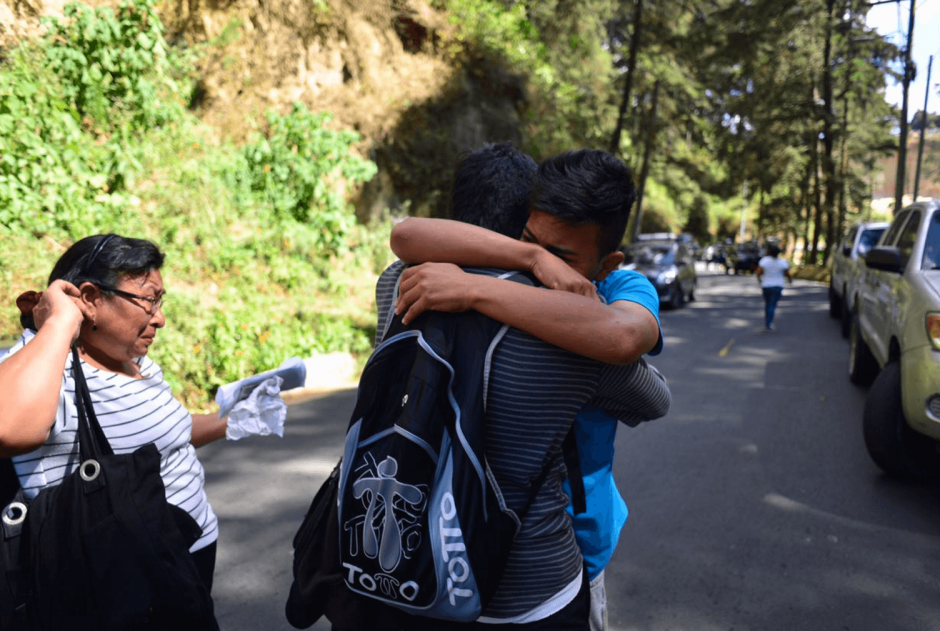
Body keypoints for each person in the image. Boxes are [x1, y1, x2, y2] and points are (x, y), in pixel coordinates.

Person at [367, 148, 669, 631]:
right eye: (532, 245)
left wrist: (477, 288)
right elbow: (654, 398)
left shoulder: (407, 281)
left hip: (414, 555)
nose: (542, 267)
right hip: (538, 577)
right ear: (513, 229)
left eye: (559, 258)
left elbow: (623, 334)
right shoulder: (574, 338)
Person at [0, 234, 230, 598]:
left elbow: (171, 433)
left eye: (161, 301)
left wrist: (232, 420)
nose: (161, 318)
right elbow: (5, 428)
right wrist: (59, 322)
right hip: (120, 577)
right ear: (90, 299)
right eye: (149, 301)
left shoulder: (132, 360)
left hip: (188, 547)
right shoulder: (47, 366)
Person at [755, 242, 792, 331]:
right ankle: (769, 323)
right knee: (772, 304)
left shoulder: (764, 260)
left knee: (768, 304)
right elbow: (787, 273)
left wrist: (760, 280)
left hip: (766, 285)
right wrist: (790, 279)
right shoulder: (782, 262)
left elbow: (758, 272)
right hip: (778, 286)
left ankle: (767, 322)